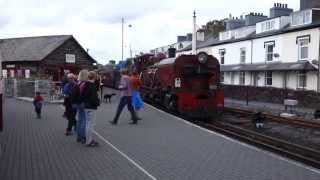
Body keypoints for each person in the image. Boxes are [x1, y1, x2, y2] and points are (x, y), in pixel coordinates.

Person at [82, 71, 100, 147]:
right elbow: (93, 98)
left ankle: (88, 139)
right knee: (90, 125)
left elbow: (83, 95)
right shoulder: (92, 85)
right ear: (94, 77)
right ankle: (88, 141)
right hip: (91, 107)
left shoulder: (85, 84)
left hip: (86, 106)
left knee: (87, 124)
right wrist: (98, 102)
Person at [74, 70, 89, 143]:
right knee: (84, 120)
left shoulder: (78, 83)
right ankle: (83, 136)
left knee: (79, 120)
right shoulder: (85, 84)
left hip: (77, 104)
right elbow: (86, 95)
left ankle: (78, 136)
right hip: (83, 104)